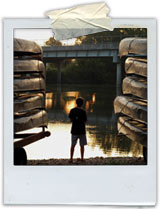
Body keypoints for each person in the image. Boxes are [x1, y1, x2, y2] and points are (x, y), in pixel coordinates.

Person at [68, 97, 87, 163]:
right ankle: (82, 158)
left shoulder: (72, 110)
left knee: (73, 145)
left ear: (76, 103)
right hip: (82, 130)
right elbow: (85, 121)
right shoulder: (83, 111)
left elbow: (70, 120)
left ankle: (71, 158)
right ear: (82, 104)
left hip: (74, 130)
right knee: (82, 145)